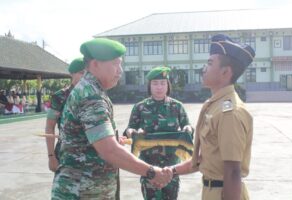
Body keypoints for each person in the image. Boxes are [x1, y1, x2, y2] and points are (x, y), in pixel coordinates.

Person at [51, 38, 173, 200]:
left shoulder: (91, 90)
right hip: (82, 192)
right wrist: (152, 172)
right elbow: (108, 150)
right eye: (115, 64)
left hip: (88, 190)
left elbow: (96, 142)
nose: (120, 70)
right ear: (95, 65)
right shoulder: (91, 96)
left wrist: (114, 141)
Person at [170, 34, 255, 200]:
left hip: (224, 193)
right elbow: (207, 159)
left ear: (225, 72)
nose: (204, 68)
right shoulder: (214, 105)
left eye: (209, 63)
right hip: (212, 190)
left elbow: (232, 171)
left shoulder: (230, 112)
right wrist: (171, 171)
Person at [123, 66, 193, 200]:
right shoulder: (140, 107)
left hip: (172, 167)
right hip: (148, 167)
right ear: (149, 86)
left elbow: (187, 126)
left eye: (162, 83)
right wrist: (133, 132)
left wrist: (188, 129)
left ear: (168, 85)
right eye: (155, 84)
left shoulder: (177, 106)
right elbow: (129, 129)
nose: (159, 87)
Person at [45, 57, 85, 172]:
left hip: (91, 157)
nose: (85, 77)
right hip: (66, 155)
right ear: (72, 74)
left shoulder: (94, 95)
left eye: (88, 74)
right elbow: (50, 126)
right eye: (81, 73)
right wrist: (51, 157)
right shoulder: (60, 96)